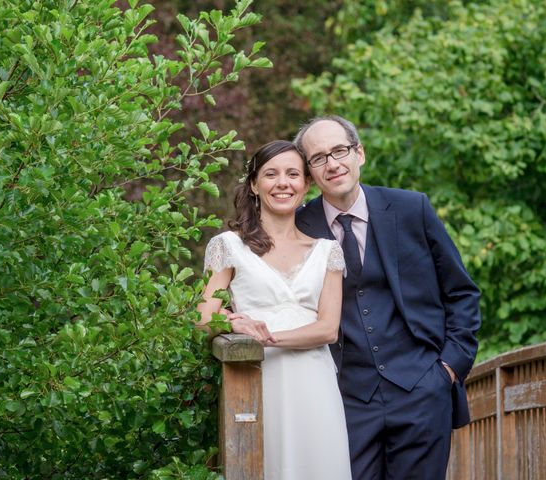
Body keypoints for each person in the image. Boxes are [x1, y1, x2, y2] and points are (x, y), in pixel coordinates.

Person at [293, 115, 481, 479]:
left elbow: (461, 292)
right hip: (343, 399)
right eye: (318, 158)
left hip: (422, 392)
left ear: (359, 153)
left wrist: (448, 370)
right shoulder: (300, 226)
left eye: (340, 150)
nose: (332, 164)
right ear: (309, 173)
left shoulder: (412, 209)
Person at [198, 140, 352, 480]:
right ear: (254, 184)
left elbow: (328, 328)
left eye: (293, 174)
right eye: (271, 174)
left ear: (306, 184)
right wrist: (234, 324)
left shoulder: (327, 252)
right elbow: (203, 318)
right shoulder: (228, 246)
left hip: (314, 381)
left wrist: (266, 339)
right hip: (256, 377)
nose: (283, 183)